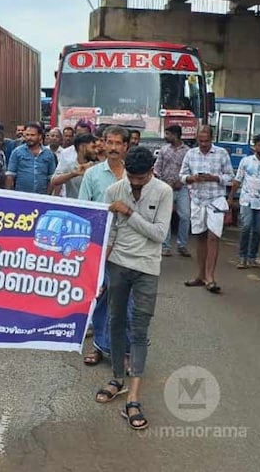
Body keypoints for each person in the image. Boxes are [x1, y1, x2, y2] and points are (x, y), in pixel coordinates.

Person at [94, 146, 171, 432]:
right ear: (125, 169)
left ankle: (134, 397)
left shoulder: (163, 191)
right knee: (115, 323)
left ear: (152, 171)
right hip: (117, 265)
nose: (135, 183)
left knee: (139, 329)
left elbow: (160, 235)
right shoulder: (114, 190)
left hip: (147, 268)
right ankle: (116, 379)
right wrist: (96, 274)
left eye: (141, 178)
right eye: (132, 177)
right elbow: (108, 233)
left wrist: (129, 213)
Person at [78, 126, 133, 366]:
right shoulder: (93, 174)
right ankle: (100, 346)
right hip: (99, 247)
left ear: (126, 147)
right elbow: (84, 208)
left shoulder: (135, 174)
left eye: (117, 143)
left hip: (129, 248)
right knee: (100, 300)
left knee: (127, 303)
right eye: (108, 142)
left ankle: (128, 352)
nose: (112, 147)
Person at [179, 125, 233, 294]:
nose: (203, 144)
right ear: (197, 139)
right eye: (200, 141)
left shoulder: (221, 153)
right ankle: (201, 275)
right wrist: (192, 178)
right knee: (200, 237)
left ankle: (210, 276)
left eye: (206, 141)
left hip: (216, 199)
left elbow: (230, 177)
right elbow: (181, 176)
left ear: (212, 139)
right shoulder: (190, 153)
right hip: (197, 199)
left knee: (213, 237)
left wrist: (214, 177)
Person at [231, 134, 260, 268]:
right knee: (246, 227)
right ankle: (242, 257)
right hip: (246, 200)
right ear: (254, 147)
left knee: (257, 230)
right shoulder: (246, 161)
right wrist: (230, 197)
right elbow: (237, 179)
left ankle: (252, 257)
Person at [154, 125, 191, 257]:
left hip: (182, 188)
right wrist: (159, 181)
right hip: (165, 187)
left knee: (185, 216)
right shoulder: (164, 150)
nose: (165, 136)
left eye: (168, 134)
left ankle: (182, 245)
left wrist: (181, 181)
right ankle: (165, 246)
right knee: (165, 217)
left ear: (175, 135)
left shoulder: (188, 152)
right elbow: (157, 168)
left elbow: (190, 170)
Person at [5, 122, 56, 194]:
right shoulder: (17, 152)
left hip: (41, 196)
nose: (29, 138)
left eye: (32, 135)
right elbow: (10, 175)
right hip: (21, 196)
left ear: (40, 136)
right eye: (27, 135)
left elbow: (51, 178)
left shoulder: (48, 154)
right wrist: (9, 195)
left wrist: (48, 196)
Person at [51, 133, 97, 198]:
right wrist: (73, 174)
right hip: (73, 204)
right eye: (93, 147)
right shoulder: (69, 163)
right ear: (82, 147)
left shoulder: (98, 165)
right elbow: (54, 181)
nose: (96, 151)